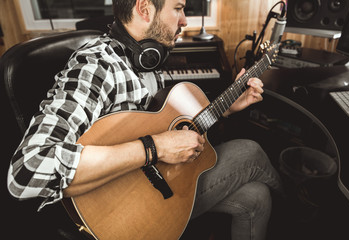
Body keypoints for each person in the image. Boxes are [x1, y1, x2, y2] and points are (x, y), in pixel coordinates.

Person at [7, 0, 282, 239]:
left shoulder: (146, 59)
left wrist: (226, 109)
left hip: (155, 192)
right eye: (178, 8)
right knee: (250, 151)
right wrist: (156, 147)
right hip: (120, 210)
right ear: (144, 8)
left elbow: (164, 125)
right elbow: (27, 171)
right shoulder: (97, 66)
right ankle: (300, 208)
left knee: (257, 198)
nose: (184, 20)